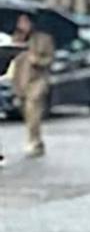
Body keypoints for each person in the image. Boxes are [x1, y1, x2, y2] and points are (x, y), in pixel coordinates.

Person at [10, 13, 55, 158]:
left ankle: (33, 141)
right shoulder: (16, 39)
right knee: (26, 112)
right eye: (20, 22)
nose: (22, 25)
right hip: (21, 81)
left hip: (38, 80)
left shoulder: (44, 39)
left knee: (33, 110)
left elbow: (49, 59)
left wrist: (37, 60)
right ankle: (38, 140)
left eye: (24, 22)